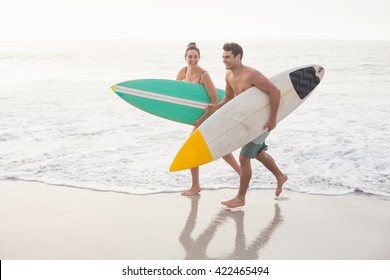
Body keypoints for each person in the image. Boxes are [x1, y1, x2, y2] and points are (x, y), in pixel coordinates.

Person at [207, 42, 288, 208]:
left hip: (262, 121)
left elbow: (275, 92)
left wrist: (272, 118)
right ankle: (280, 176)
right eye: (223, 57)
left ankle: (240, 198)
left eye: (227, 57)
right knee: (257, 153)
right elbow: (228, 98)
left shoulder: (251, 75)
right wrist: (215, 108)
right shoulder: (229, 76)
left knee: (244, 158)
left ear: (238, 57)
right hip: (249, 122)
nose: (224, 60)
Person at [176, 42, 240, 196]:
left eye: (196, 57)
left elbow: (214, 101)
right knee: (222, 148)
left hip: (211, 115)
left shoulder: (204, 75)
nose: (193, 59)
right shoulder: (183, 72)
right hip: (199, 117)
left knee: (191, 148)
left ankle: (195, 186)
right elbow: (177, 94)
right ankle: (242, 174)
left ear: (199, 58)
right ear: (185, 58)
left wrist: (201, 119)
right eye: (190, 56)